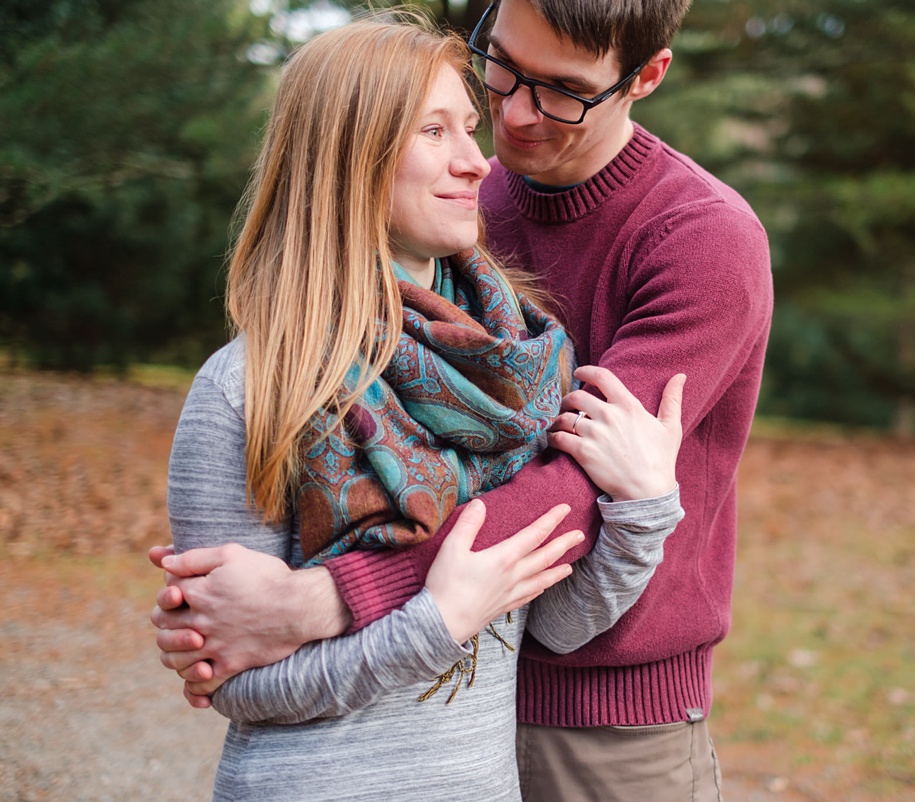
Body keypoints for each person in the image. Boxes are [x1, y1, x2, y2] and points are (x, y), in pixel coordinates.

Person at [152, 1, 773, 799]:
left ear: (646, 77)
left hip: (602, 717)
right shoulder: (452, 227)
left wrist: (326, 599)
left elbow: (577, 490)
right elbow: (232, 661)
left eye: (560, 91)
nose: (508, 123)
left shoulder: (692, 239)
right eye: (502, 68)